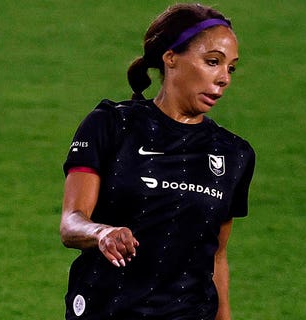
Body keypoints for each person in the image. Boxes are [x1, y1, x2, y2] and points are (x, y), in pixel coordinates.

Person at [59, 3, 255, 320]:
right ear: (171, 58)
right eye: (212, 62)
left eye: (230, 68)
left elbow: (216, 255)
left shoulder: (233, 153)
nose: (223, 78)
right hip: (106, 310)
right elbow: (71, 223)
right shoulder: (112, 125)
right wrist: (101, 233)